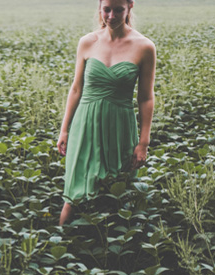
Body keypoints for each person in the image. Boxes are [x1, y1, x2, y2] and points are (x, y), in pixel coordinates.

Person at [57, 0, 155, 225]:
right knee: (74, 191)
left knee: (117, 190)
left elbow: (146, 98)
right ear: (99, 8)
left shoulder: (144, 47)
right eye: (106, 9)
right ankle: (58, 241)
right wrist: (64, 130)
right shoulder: (87, 42)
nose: (111, 15)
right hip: (86, 124)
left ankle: (113, 246)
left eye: (119, 9)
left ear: (130, 6)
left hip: (120, 126)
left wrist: (143, 142)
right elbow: (76, 89)